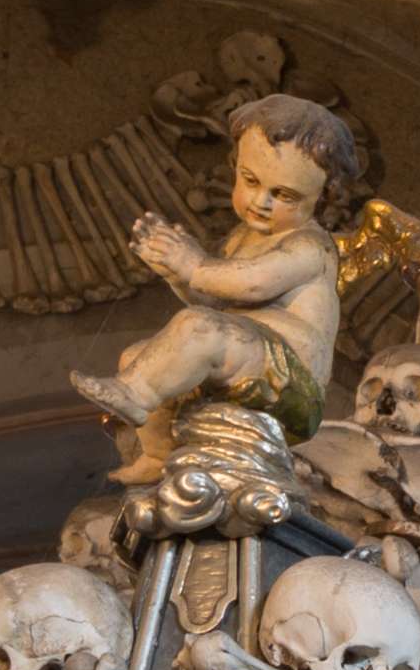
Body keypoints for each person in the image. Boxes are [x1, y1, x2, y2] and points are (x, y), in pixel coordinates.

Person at [77, 93, 363, 454]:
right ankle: (157, 454)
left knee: (197, 328)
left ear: (322, 199)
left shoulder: (310, 247)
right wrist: (175, 273)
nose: (262, 201)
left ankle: (134, 395)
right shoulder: (242, 238)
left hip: (291, 384)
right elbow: (213, 298)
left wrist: (193, 265)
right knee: (137, 357)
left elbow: (254, 282)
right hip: (241, 358)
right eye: (251, 181)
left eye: (285, 195)